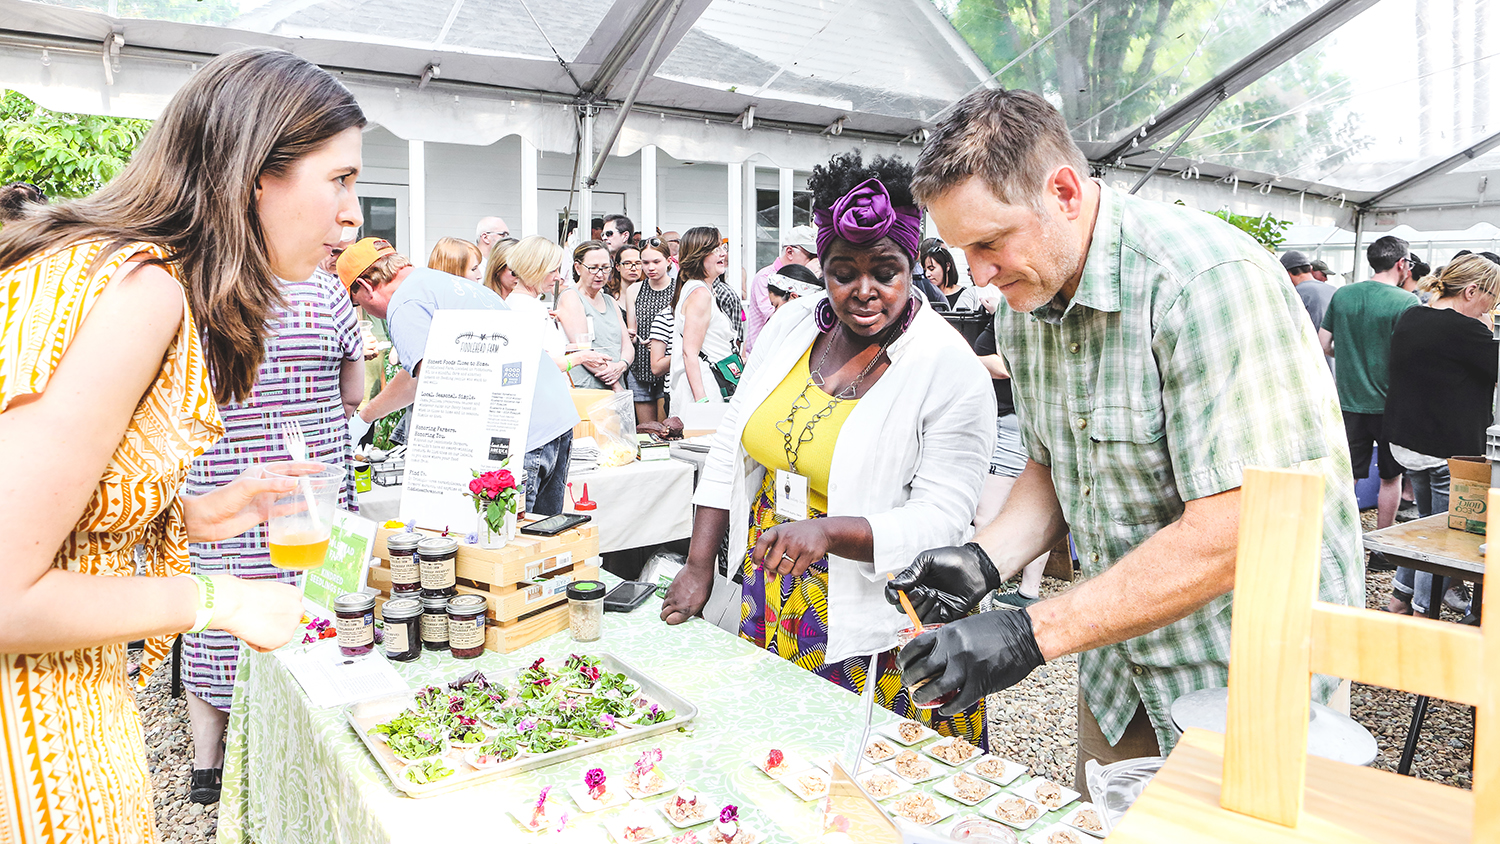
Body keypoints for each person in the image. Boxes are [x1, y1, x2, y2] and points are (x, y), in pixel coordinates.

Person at [887, 88, 1361, 788]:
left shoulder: (1203, 283)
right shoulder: (1027, 303)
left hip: (1243, 667)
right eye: (963, 251)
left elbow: (1244, 528)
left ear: (1066, 192)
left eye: (990, 242)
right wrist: (984, 560)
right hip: (1116, 655)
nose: (979, 275)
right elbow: (1055, 463)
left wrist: (1031, 631)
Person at [0, 47, 350, 842]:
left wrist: (196, 513)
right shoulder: (140, 289)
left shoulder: (90, 267)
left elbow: (47, 510)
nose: (353, 216)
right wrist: (221, 599)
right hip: (31, 746)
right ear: (257, 173)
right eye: (341, 180)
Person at [659, 152, 995, 743]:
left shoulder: (948, 367)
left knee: (865, 773)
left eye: (885, 271)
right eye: (843, 272)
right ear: (822, 267)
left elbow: (944, 519)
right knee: (780, 750)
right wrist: (696, 565)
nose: (864, 292)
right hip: (778, 580)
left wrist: (829, 532)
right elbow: (731, 449)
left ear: (912, 265)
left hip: (880, 606)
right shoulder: (792, 330)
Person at [182, 252, 364, 804]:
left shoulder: (199, 278)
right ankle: (310, 736)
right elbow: (353, 391)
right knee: (315, 600)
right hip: (313, 473)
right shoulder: (326, 291)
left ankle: (207, 765)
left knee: (217, 605)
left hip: (224, 471)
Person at [340, 237, 581, 514]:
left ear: (367, 287)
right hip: (555, 417)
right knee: (542, 541)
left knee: (508, 541)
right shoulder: (449, 284)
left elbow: (423, 381)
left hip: (517, 432)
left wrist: (364, 417)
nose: (366, 313)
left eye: (357, 303)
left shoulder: (404, 303)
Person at [1384, 253, 1499, 615]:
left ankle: (1398, 601)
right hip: (1444, 450)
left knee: (1424, 529)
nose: (1492, 307)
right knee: (1446, 540)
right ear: (1471, 291)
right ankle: (1421, 613)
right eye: (1492, 299)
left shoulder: (1413, 314)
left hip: (1406, 442)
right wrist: (1486, 326)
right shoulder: (1463, 330)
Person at [1319, 236, 1420, 539]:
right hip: (1390, 406)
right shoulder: (1406, 302)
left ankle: (1338, 544)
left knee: (1346, 477)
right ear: (1401, 263)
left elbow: (1322, 344)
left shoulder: (1343, 295)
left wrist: (1348, 354)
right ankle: (1381, 548)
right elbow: (1410, 357)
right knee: (1391, 478)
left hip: (1347, 402)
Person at [668, 227, 738, 407]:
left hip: (714, 380)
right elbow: (689, 353)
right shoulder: (700, 294)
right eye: (715, 250)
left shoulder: (702, 289)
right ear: (698, 255)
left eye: (723, 247)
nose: (723, 254)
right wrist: (702, 402)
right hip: (706, 386)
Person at [557, 240, 633, 392]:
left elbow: (627, 345)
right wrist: (614, 383)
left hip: (617, 381)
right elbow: (582, 349)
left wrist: (622, 365)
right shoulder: (571, 297)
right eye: (593, 268)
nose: (600, 274)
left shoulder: (609, 300)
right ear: (578, 268)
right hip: (587, 388)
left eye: (605, 268)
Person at [624, 238, 676, 423]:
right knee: (646, 430)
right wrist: (636, 338)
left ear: (669, 261)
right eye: (644, 262)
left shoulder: (678, 289)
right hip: (640, 367)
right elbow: (632, 329)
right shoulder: (635, 290)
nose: (650, 267)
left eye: (656, 262)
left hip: (668, 368)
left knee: (666, 427)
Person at [745, 225, 818, 354]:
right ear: (789, 252)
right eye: (811, 256)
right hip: (764, 357)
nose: (816, 261)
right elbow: (777, 319)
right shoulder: (766, 278)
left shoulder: (807, 277)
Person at [922, 239, 963, 307]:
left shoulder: (964, 295)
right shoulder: (923, 296)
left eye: (931, 269)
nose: (927, 274)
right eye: (925, 270)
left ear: (947, 266)